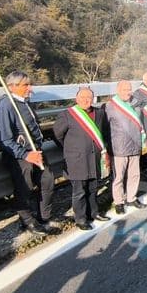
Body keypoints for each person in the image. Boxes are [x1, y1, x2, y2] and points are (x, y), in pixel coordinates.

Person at [0, 71, 59, 235]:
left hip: (36, 151)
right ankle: (28, 221)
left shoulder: (24, 102)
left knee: (48, 180)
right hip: (19, 156)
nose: (30, 88)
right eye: (26, 85)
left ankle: (44, 217)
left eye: (30, 84)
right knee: (25, 187)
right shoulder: (5, 105)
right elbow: (3, 140)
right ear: (12, 87)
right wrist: (25, 155)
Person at [53, 87, 110, 229]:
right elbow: (57, 136)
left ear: (93, 99)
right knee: (79, 191)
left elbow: (104, 133)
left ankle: (94, 213)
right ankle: (80, 219)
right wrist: (71, 149)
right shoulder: (67, 115)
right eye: (83, 97)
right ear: (76, 99)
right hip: (77, 160)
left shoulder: (99, 113)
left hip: (95, 158)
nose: (86, 100)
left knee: (93, 188)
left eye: (89, 97)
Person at [104, 80, 147, 214]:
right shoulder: (110, 106)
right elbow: (104, 127)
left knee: (134, 174)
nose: (127, 92)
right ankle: (119, 202)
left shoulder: (135, 104)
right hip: (119, 147)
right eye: (124, 89)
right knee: (119, 177)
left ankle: (131, 197)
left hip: (135, 145)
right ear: (118, 90)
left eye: (129, 89)